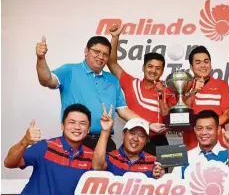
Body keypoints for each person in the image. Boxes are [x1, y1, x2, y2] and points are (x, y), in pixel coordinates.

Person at [36, 35, 165, 152]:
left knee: (106, 178)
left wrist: (148, 125)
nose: (100, 57)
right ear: (86, 51)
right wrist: (41, 59)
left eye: (105, 54)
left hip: (105, 140)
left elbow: (123, 110)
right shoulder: (70, 70)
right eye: (96, 52)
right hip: (76, 139)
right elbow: (46, 80)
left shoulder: (112, 80)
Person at [4, 104, 104, 195]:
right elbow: (9, 162)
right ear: (62, 125)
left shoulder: (91, 157)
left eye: (83, 123)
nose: (77, 127)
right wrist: (25, 141)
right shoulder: (46, 147)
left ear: (88, 129)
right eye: (72, 122)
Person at [92, 105, 168, 195]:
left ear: (146, 141)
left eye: (141, 136)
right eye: (132, 133)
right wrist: (105, 131)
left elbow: (163, 191)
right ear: (123, 134)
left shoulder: (154, 160)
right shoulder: (111, 157)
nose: (135, 139)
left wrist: (161, 177)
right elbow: (97, 167)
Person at [107, 24, 170, 155]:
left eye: (158, 68)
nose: (153, 71)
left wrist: (161, 96)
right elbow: (112, 63)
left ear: (162, 71)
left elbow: (169, 118)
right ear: (143, 67)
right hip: (134, 141)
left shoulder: (167, 89)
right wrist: (115, 37)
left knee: (162, 175)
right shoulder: (131, 83)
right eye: (150, 66)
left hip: (159, 141)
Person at [181, 46, 229, 151]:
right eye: (198, 62)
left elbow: (226, 115)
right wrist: (193, 92)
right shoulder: (184, 86)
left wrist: (208, 128)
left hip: (218, 145)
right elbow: (181, 114)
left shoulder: (221, 85)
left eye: (206, 61)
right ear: (191, 66)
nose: (203, 65)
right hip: (191, 145)